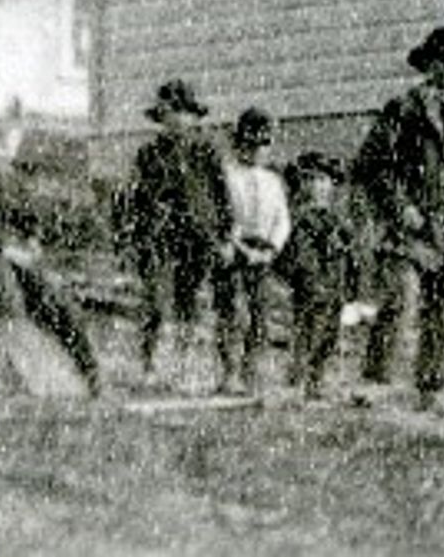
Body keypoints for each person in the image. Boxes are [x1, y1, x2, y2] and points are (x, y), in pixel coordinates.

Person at [355, 24, 444, 404]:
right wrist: (402, 208)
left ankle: (431, 389)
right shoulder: (403, 110)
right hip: (411, 230)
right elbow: (371, 166)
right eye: (443, 63)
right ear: (427, 66)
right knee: (401, 297)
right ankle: (375, 382)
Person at [0, 108, 101, 395]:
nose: (4, 155)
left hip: (12, 258)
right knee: (9, 297)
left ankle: (89, 374)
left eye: (8, 149)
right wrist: (9, 250)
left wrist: (33, 238)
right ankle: (1, 370)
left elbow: (27, 219)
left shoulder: (11, 184)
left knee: (56, 302)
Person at [118, 79, 230, 386]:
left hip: (196, 237)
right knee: (155, 299)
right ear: (161, 118)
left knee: (189, 300)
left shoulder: (206, 153)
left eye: (185, 113)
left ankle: (181, 365)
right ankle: (149, 363)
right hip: (158, 236)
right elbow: (133, 199)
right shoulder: (149, 155)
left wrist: (224, 235)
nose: (179, 119)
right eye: (172, 113)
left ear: (194, 117)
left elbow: (221, 198)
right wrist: (130, 237)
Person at [213, 105, 291, 395]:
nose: (258, 150)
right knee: (231, 312)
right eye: (251, 144)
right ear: (239, 144)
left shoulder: (273, 181)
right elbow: (220, 214)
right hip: (234, 249)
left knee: (259, 312)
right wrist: (234, 244)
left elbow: (282, 219)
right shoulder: (227, 176)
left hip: (263, 250)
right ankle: (229, 371)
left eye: (264, 143)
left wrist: (271, 248)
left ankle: (250, 370)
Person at [280, 151, 367, 398]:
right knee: (309, 331)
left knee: (330, 334)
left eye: (323, 180)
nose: (317, 186)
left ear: (331, 184)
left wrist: (351, 284)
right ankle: (300, 380)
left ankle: (317, 380)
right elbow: (297, 255)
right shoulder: (298, 218)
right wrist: (309, 276)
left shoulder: (338, 219)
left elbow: (352, 255)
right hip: (310, 285)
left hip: (335, 284)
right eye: (311, 180)